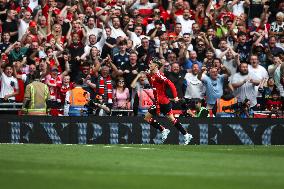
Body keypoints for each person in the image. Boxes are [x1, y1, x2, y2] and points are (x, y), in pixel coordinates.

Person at [143, 57, 193, 145]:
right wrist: (148, 75)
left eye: (151, 64)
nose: (149, 65)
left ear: (156, 66)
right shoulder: (153, 75)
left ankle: (168, 131)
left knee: (149, 117)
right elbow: (153, 85)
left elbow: (171, 84)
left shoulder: (159, 75)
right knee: (150, 118)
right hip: (159, 102)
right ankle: (183, 134)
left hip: (163, 102)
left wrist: (175, 96)